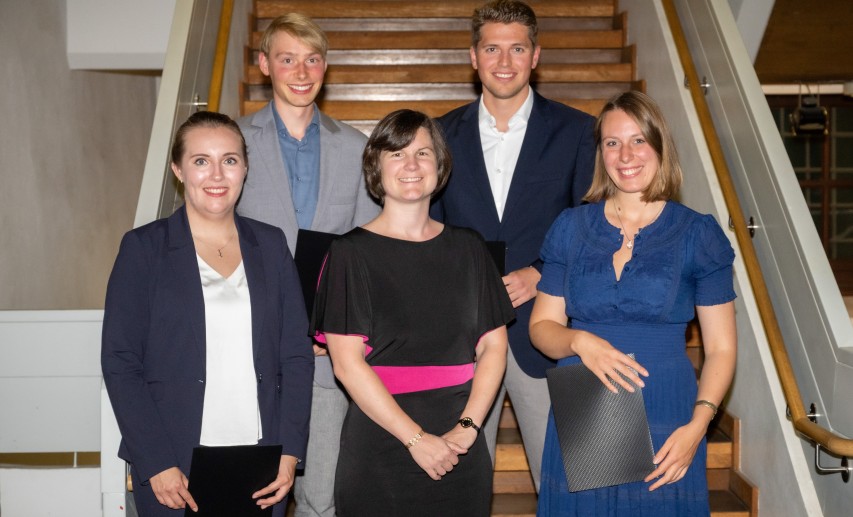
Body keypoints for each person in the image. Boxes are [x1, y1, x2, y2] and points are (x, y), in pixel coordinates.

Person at [529, 90, 738, 516]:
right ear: (600, 153)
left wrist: (699, 426)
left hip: (667, 410)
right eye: (612, 142)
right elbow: (541, 328)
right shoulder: (571, 227)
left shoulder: (698, 234)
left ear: (660, 145)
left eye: (638, 140)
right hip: (587, 408)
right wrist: (579, 342)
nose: (626, 154)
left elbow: (721, 349)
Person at [101, 111, 315, 516]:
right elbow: (120, 361)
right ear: (178, 170)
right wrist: (156, 461)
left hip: (260, 460)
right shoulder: (143, 249)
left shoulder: (270, 245)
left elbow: (296, 356)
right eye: (201, 161)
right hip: (173, 462)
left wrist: (290, 451)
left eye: (229, 160)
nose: (217, 174)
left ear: (245, 168)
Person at [311, 109, 514, 516]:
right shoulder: (349, 254)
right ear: (375, 167)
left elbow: (494, 347)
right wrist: (417, 440)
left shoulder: (470, 248)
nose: (411, 165)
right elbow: (348, 366)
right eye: (396, 153)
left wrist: (468, 429)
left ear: (439, 167)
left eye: (423, 153)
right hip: (382, 443)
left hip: (461, 443)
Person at [430, 0, 595, 490]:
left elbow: (591, 225)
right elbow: (428, 228)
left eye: (517, 48)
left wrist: (542, 272)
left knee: (564, 481)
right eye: (493, 48)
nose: (505, 61)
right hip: (459, 334)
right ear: (474, 57)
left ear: (536, 55)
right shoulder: (438, 135)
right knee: (454, 483)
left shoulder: (578, 131)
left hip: (544, 331)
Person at [235, 13, 380, 517]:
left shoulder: (356, 149)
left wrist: (339, 331)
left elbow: (369, 253)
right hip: (243, 356)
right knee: (246, 496)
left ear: (325, 67)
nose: (301, 71)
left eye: (313, 59)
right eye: (288, 58)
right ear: (263, 65)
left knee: (322, 500)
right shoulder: (231, 143)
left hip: (325, 361)